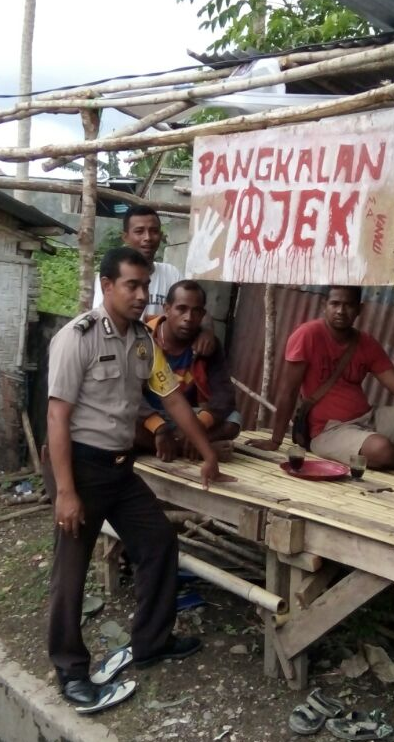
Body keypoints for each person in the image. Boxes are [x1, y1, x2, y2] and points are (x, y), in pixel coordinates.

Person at [45, 247, 224, 712]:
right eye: (132, 285)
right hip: (81, 468)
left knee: (159, 541)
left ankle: (150, 642)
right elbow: (56, 418)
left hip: (121, 468)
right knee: (72, 568)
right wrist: (65, 492)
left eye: (146, 286)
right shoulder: (77, 338)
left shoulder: (144, 343)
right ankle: (69, 670)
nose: (142, 295)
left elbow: (175, 401)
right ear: (107, 286)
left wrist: (208, 454)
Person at [249, 286, 394, 469]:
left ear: (360, 309)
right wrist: (275, 440)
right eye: (335, 304)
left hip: (368, 418)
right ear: (324, 305)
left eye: (348, 305)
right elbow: (288, 391)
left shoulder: (365, 343)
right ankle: (390, 461)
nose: (341, 311)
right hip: (328, 429)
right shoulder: (307, 335)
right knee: (382, 450)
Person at [135, 280, 241, 461]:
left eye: (196, 311)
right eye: (181, 309)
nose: (189, 317)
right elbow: (129, 394)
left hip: (187, 416)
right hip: (149, 415)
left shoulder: (207, 345)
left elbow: (225, 395)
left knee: (233, 420)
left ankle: (184, 443)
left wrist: (199, 424)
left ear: (203, 315)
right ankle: (194, 447)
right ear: (166, 309)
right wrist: (157, 425)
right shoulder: (142, 340)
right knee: (124, 425)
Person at [92, 204, 217, 357]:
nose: (148, 238)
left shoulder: (171, 274)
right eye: (139, 231)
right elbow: (104, 321)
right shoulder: (113, 276)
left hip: (163, 360)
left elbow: (196, 310)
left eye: (154, 231)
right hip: (124, 355)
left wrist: (207, 331)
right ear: (125, 237)